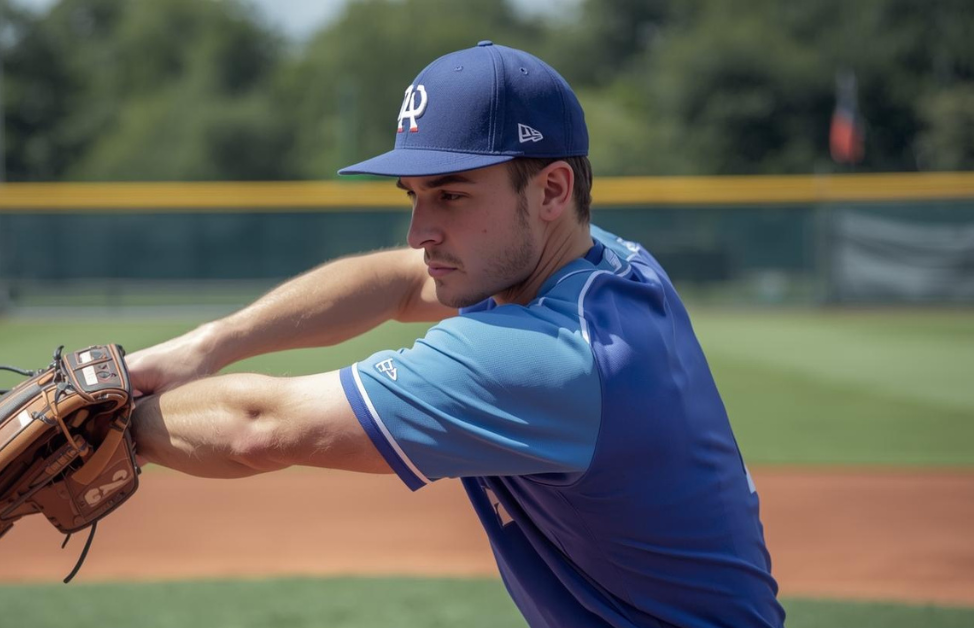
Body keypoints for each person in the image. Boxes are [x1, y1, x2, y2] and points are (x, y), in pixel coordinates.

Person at [125, 41, 785, 628]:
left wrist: (111, 424)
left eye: (451, 194)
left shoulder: (543, 359)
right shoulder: (613, 267)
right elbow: (401, 280)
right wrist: (211, 343)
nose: (419, 231)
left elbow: (258, 429)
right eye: (411, 195)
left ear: (552, 189)